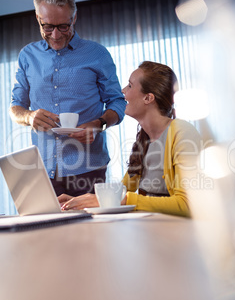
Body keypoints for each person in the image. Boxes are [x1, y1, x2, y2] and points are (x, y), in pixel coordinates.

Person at [9, 0, 126, 197]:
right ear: (38, 18)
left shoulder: (97, 54)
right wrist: (29, 116)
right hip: (43, 169)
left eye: (63, 26)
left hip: (89, 167)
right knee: (46, 229)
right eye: (48, 27)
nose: (55, 35)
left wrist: (99, 124)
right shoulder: (27, 56)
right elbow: (15, 107)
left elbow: (118, 102)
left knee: (90, 230)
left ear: (74, 18)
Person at [59, 61, 202, 217]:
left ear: (148, 98)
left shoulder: (182, 132)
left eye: (129, 86)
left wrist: (125, 200)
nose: (123, 91)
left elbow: (188, 204)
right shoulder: (144, 140)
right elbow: (120, 192)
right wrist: (79, 201)